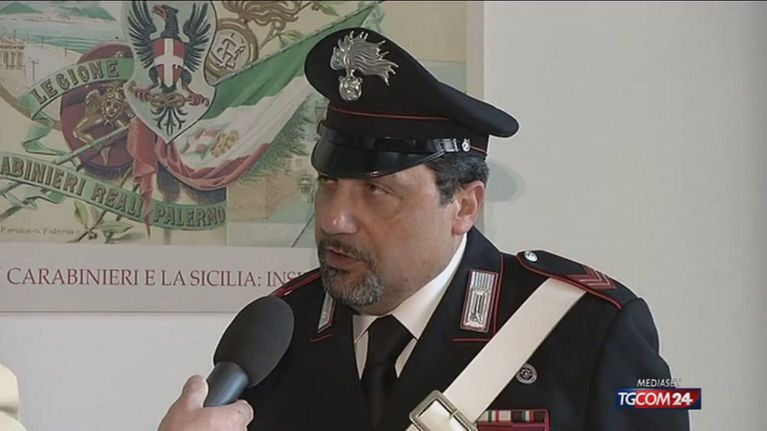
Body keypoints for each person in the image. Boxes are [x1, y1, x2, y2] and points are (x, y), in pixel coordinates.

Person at [159, 27, 689, 431]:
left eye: (376, 191)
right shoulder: (280, 336)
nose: (333, 219)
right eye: (328, 184)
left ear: (463, 206)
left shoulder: (589, 328)